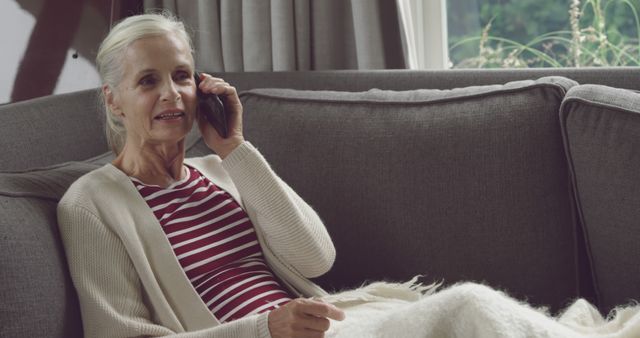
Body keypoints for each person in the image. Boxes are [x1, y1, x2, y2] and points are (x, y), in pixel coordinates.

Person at [58, 12, 344, 338]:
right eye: (148, 80)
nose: (171, 93)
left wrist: (234, 147)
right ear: (113, 100)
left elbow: (316, 260)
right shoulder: (90, 204)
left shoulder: (223, 168)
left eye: (181, 76)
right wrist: (263, 330)